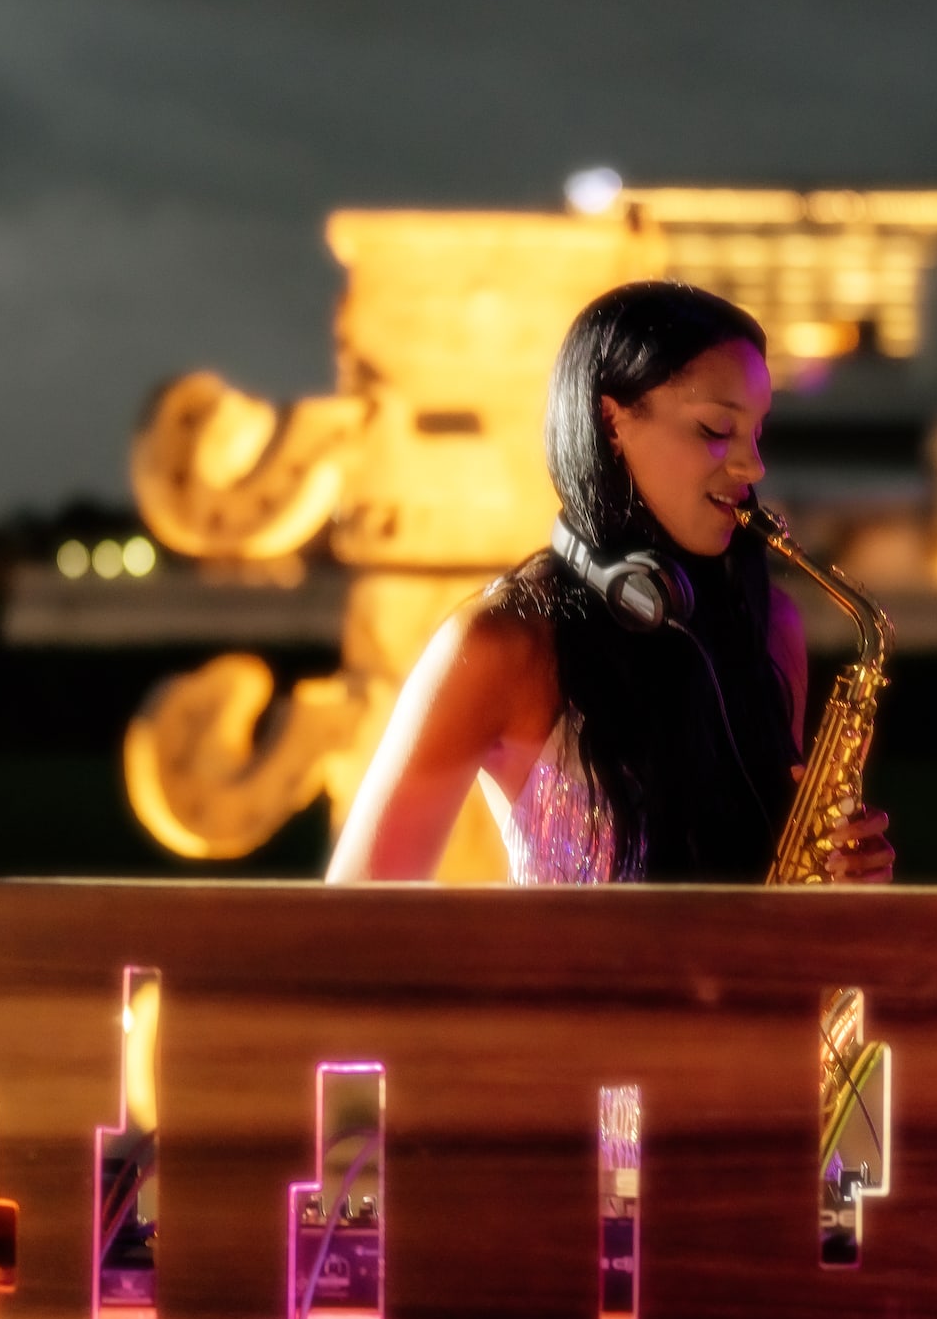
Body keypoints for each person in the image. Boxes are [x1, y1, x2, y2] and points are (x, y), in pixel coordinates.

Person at [326, 281, 895, 885]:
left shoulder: (768, 623)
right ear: (611, 421)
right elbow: (356, 910)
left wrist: (840, 876)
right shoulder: (503, 644)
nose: (752, 467)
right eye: (713, 429)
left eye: (757, 433)